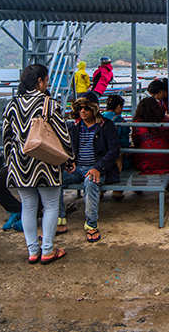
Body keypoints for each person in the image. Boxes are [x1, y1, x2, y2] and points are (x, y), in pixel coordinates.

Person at [2, 64, 73, 264]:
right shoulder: (48, 103)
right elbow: (63, 135)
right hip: (46, 163)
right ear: (40, 81)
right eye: (46, 79)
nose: (47, 83)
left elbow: (6, 137)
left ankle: (33, 251)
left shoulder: (12, 104)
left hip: (19, 163)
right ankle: (48, 250)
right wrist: (69, 159)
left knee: (28, 207)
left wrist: (9, 161)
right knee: (51, 206)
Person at [59, 97, 120, 243]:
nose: (82, 111)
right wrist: (69, 162)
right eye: (79, 108)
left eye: (86, 108)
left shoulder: (107, 125)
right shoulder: (74, 126)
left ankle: (91, 224)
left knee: (91, 182)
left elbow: (113, 151)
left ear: (94, 109)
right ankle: (59, 220)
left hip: (97, 168)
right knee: (56, 181)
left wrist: (99, 168)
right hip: (76, 168)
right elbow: (66, 147)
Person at [131, 97, 169, 175]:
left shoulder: (137, 124)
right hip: (167, 160)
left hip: (145, 162)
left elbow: (136, 143)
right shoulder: (166, 121)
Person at [103, 94, 129, 200]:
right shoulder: (120, 121)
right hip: (115, 157)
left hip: (100, 155)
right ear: (118, 107)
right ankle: (117, 190)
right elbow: (125, 142)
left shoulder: (99, 118)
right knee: (128, 159)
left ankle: (100, 191)